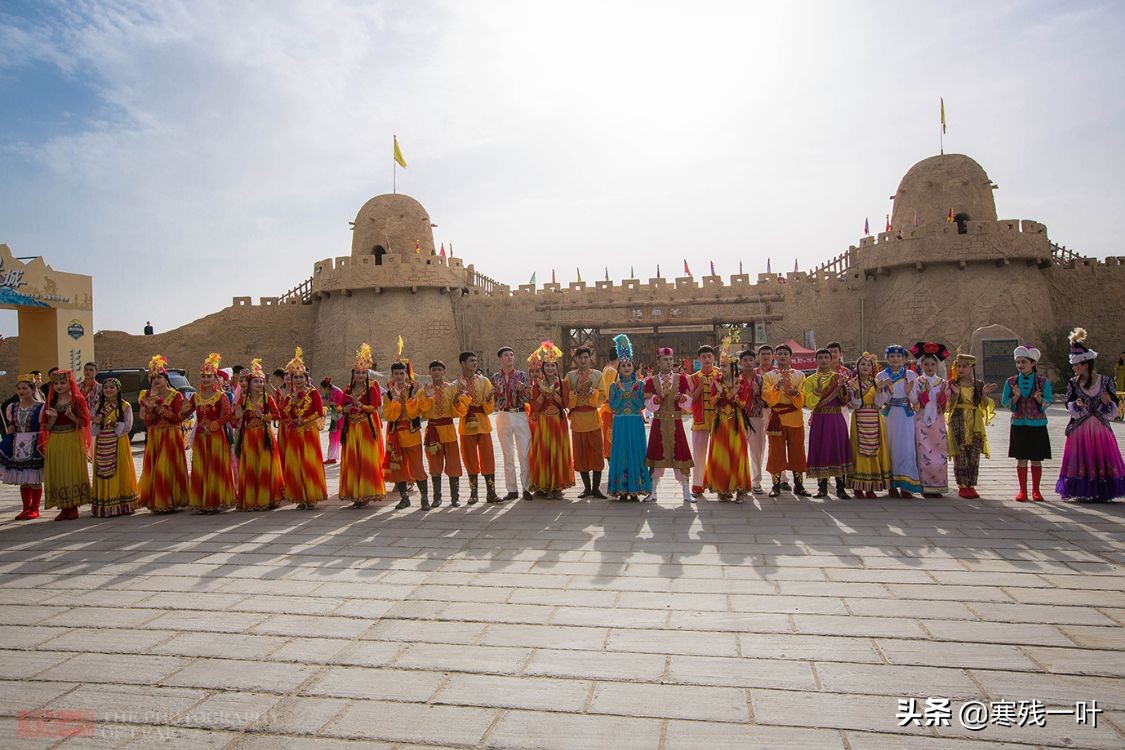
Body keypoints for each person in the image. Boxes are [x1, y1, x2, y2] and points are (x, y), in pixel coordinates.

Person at [1055, 328, 1125, 502]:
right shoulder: (1073, 383)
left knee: (1101, 458)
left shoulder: (1106, 381)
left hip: (1100, 428)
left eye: (1076, 365)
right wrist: (1076, 405)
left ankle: (1103, 491)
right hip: (1080, 429)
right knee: (1082, 459)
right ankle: (1083, 491)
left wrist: (1108, 402)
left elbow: (1115, 406)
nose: (1073, 368)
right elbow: (1068, 403)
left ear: (1086, 364)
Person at [181, 353, 236, 514]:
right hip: (201, 437)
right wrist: (183, 410)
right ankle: (203, 500)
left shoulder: (221, 396)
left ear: (215, 378)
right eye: (203, 376)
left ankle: (216, 500)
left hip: (216, 436)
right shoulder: (196, 396)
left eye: (209, 376)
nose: (206, 379)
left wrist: (216, 424)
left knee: (215, 467)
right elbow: (185, 415)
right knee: (202, 467)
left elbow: (228, 415)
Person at [1001, 344, 1053, 502]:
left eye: (1023, 362)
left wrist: (1039, 399)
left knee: (1036, 458)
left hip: (1038, 424)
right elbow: (1005, 402)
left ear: (1033, 363)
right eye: (1018, 362)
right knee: (1021, 458)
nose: (1020, 365)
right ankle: (1022, 491)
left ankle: (1036, 490)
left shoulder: (1043, 381)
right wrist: (1015, 397)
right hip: (1019, 424)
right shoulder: (1011, 382)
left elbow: (1048, 401)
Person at [138, 355, 189, 513]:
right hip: (155, 436)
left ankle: (168, 500)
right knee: (155, 468)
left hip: (171, 435)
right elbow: (147, 422)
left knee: (165, 468)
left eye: (159, 377)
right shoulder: (147, 397)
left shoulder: (176, 395)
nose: (156, 380)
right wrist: (150, 411)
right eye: (153, 378)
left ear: (166, 379)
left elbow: (178, 419)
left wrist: (161, 410)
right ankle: (158, 500)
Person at [644, 346, 694, 503]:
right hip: (658, 423)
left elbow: (689, 401)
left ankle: (686, 492)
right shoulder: (651, 381)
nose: (669, 362)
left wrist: (682, 398)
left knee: (680, 455)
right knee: (657, 456)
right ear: (658, 361)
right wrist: (656, 400)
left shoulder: (681, 379)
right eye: (665, 359)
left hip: (676, 422)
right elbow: (647, 404)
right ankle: (652, 491)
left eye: (671, 359)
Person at [801, 348, 853, 499]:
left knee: (837, 449)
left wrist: (843, 388)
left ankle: (840, 488)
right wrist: (817, 391)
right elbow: (810, 404)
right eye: (820, 357)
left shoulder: (839, 378)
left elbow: (845, 401)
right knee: (820, 449)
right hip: (819, 419)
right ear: (816, 360)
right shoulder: (810, 380)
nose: (823, 360)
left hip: (836, 418)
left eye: (826, 357)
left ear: (831, 360)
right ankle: (822, 488)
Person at [417, 360, 471, 507]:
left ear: (444, 372)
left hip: (448, 429)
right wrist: (428, 397)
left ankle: (455, 497)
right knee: (434, 464)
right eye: (434, 369)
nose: (436, 372)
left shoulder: (452, 388)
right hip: (433, 430)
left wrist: (457, 399)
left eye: (439, 369)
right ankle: (437, 497)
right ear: (429, 372)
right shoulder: (423, 391)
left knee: (453, 463)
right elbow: (422, 411)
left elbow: (461, 410)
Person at [704, 340, 752, 502]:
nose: (722, 369)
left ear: (733, 367)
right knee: (721, 454)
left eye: (724, 366)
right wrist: (718, 394)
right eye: (721, 366)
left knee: (737, 453)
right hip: (720, 422)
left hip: (736, 421)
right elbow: (711, 402)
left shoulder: (741, 382)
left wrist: (736, 394)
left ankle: (739, 489)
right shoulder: (716, 382)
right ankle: (723, 489)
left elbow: (744, 404)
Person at [233, 359, 284, 511]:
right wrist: (238, 416)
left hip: (264, 436)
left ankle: (266, 499)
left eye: (261, 382)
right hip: (249, 437)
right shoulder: (243, 399)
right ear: (249, 384)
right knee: (251, 468)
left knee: (265, 467)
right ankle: (251, 500)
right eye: (256, 381)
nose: (259, 384)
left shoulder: (267, 398)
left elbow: (277, 415)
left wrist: (262, 416)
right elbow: (235, 416)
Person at [339, 343, 385, 509]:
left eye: (363, 372)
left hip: (366, 427)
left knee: (366, 460)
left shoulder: (372, 388)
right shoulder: (347, 389)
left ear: (367, 373)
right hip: (351, 428)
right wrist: (344, 409)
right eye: (357, 372)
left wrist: (359, 405)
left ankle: (366, 493)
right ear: (353, 373)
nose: (360, 375)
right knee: (353, 460)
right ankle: (355, 493)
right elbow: (340, 407)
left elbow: (374, 407)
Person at [42, 369, 92, 520]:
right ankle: (63, 507)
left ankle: (73, 506)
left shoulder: (77, 400)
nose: (59, 386)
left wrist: (71, 416)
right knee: (58, 471)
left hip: (72, 438)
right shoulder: (51, 401)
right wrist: (53, 418)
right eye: (56, 383)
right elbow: (46, 427)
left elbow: (84, 423)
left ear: (70, 384)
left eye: (63, 382)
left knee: (71, 471)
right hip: (55, 440)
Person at [281, 348, 328, 509]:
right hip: (295, 434)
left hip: (309, 433)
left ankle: (312, 497)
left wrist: (303, 420)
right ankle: (300, 497)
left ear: (306, 378)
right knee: (296, 465)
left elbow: (319, 412)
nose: (299, 380)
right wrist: (292, 403)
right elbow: (283, 414)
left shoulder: (313, 393)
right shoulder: (289, 397)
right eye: (295, 377)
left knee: (309, 463)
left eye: (301, 377)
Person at [945, 351, 996, 499]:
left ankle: (971, 485)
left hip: (974, 422)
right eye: (959, 366)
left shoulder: (978, 385)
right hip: (958, 421)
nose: (961, 369)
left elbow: (983, 405)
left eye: (964, 366)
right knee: (960, 454)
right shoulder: (953, 384)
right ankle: (962, 485)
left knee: (974, 454)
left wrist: (984, 394)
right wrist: (955, 395)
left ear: (972, 367)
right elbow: (947, 406)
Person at [527, 341, 574, 498]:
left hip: (558, 422)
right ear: (542, 367)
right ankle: (545, 485)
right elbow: (534, 407)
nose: (550, 368)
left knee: (558, 452)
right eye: (547, 365)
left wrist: (557, 397)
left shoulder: (563, 383)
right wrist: (542, 395)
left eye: (553, 365)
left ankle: (557, 486)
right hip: (544, 423)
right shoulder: (536, 385)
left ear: (556, 367)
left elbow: (566, 404)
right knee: (544, 452)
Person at [762, 343, 810, 498]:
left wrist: (796, 394)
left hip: (795, 418)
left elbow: (804, 397)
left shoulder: (800, 375)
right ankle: (775, 485)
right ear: (775, 356)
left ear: (791, 357)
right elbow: (767, 397)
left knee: (798, 451)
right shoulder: (769, 376)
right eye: (780, 353)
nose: (782, 356)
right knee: (775, 452)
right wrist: (776, 388)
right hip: (777, 419)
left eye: (785, 354)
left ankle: (799, 485)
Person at [606, 335, 650, 501]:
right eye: (623, 365)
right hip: (620, 422)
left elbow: (641, 405)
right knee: (621, 453)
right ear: (619, 368)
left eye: (629, 365)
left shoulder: (640, 385)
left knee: (636, 452)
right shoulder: (614, 386)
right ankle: (621, 489)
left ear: (633, 367)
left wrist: (632, 393)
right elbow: (612, 406)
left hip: (635, 422)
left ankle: (635, 488)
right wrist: (620, 393)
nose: (626, 368)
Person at [876, 344, 921, 498]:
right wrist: (885, 390)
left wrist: (908, 392)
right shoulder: (881, 375)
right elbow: (878, 402)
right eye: (892, 356)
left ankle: (907, 486)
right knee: (889, 448)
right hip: (888, 415)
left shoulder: (910, 375)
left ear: (903, 358)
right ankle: (891, 485)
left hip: (905, 415)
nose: (895, 359)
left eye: (898, 356)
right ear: (887, 358)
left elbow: (915, 400)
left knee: (906, 448)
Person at [89, 377, 138, 517]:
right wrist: (97, 422)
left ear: (118, 389)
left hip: (119, 442)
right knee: (101, 471)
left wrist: (113, 424)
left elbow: (127, 427)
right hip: (102, 442)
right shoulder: (98, 406)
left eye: (112, 387)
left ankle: (121, 503)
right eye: (106, 387)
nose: (108, 390)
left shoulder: (125, 406)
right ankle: (105, 503)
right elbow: (93, 429)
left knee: (119, 470)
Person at [846, 352, 892, 498]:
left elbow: (879, 404)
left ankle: (871, 486)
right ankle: (858, 486)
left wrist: (880, 390)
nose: (865, 367)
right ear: (857, 366)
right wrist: (856, 393)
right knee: (859, 451)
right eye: (862, 364)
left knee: (875, 450)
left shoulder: (876, 382)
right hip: (859, 417)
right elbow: (855, 404)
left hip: (875, 417)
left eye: (868, 365)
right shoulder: (852, 383)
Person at [911, 342, 952, 498]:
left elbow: (944, 405)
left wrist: (944, 395)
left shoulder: (943, 383)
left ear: (937, 365)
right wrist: (925, 393)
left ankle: (938, 486)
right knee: (923, 454)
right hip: (921, 421)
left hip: (938, 422)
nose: (929, 367)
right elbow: (916, 403)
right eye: (926, 364)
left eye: (932, 364)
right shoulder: (917, 382)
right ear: (921, 365)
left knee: (939, 453)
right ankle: (925, 486)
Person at [457, 351, 499, 503]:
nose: (474, 363)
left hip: (483, 424)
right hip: (466, 424)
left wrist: (488, 399)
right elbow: (457, 407)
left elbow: (489, 406)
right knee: (470, 458)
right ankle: (473, 493)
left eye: (475, 360)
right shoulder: (456, 384)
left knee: (487, 457)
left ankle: (491, 492)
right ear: (463, 363)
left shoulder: (484, 381)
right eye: (471, 361)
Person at [491, 346, 532, 501]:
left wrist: (522, 391)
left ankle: (526, 488)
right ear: (500, 359)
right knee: (507, 455)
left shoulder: (522, 375)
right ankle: (512, 490)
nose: (509, 357)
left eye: (511, 355)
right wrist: (496, 392)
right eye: (506, 355)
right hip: (503, 415)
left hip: (520, 414)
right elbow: (492, 401)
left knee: (524, 453)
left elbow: (528, 398)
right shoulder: (495, 377)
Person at [566, 346, 607, 499]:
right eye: (580, 358)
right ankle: (587, 488)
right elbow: (566, 400)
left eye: (585, 357)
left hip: (593, 419)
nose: (583, 360)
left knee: (597, 452)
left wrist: (592, 392)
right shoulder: (570, 376)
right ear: (576, 359)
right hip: (577, 420)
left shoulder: (598, 375)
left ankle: (596, 488)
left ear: (590, 359)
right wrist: (575, 391)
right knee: (580, 453)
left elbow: (603, 396)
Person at [1, 375, 45, 520]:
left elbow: (43, 426)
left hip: (34, 443)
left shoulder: (41, 407)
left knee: (34, 478)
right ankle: (26, 508)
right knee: (23, 479)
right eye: (19, 389)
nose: (21, 391)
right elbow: (12, 425)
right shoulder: (12, 407)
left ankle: (35, 508)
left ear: (32, 390)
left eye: (25, 388)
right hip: (18, 444)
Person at [384, 359, 426, 509]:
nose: (399, 376)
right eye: (396, 374)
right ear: (392, 375)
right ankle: (404, 498)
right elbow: (390, 416)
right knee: (398, 468)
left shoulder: (413, 391)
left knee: (417, 467)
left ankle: (424, 498)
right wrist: (395, 399)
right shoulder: (388, 395)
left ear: (406, 375)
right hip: (396, 436)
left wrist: (412, 396)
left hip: (412, 434)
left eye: (402, 373)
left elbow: (414, 413)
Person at [688, 345, 721, 498]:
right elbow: (689, 401)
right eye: (703, 357)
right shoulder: (692, 378)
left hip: (719, 421)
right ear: (699, 359)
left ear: (714, 357)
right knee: (699, 455)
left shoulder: (721, 374)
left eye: (709, 356)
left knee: (719, 455)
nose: (707, 359)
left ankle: (720, 485)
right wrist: (700, 388)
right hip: (700, 420)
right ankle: (697, 485)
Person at [746, 345, 774, 494]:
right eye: (745, 360)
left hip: (759, 416)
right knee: (741, 450)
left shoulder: (763, 378)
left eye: (750, 360)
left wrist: (758, 393)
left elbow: (767, 400)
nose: (748, 363)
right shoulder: (736, 378)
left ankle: (757, 481)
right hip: (739, 417)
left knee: (759, 450)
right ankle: (743, 480)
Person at [598, 346, 619, 490]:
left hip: (607, 410)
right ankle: (613, 470)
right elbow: (612, 392)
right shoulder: (612, 371)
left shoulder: (606, 369)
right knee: (611, 440)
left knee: (609, 440)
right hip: (611, 410)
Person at [320, 377, 344, 464]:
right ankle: (332, 457)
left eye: (321, 388)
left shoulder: (336, 392)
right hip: (336, 415)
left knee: (334, 437)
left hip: (339, 416)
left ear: (326, 387)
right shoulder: (332, 391)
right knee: (334, 437)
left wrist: (330, 403)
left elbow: (341, 404)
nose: (320, 389)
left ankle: (332, 458)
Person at [1115, 352, 1125, 421]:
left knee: (1124, 400)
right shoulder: (1118, 364)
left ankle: (1122, 415)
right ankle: (1118, 415)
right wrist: (1115, 378)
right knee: (1119, 400)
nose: (1122, 356)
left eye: (1124, 355)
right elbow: (1116, 372)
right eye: (1121, 355)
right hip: (1119, 383)